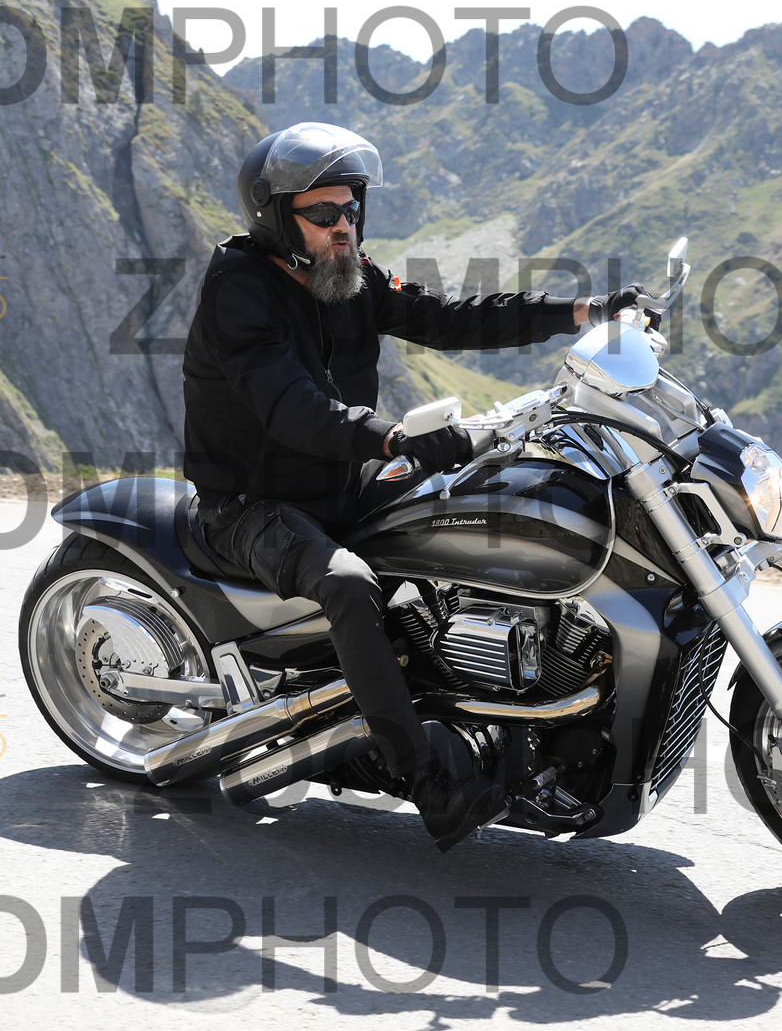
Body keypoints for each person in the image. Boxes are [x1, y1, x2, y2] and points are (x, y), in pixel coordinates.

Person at [181, 122, 640, 851]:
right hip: (251, 503)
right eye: (323, 213)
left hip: (341, 482)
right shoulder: (238, 293)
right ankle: (427, 778)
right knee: (348, 584)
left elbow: (446, 317)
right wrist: (393, 438)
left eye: (351, 208)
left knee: (476, 502)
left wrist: (581, 314)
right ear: (277, 219)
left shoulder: (345, 271)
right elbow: (292, 406)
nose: (344, 225)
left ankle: (496, 693)